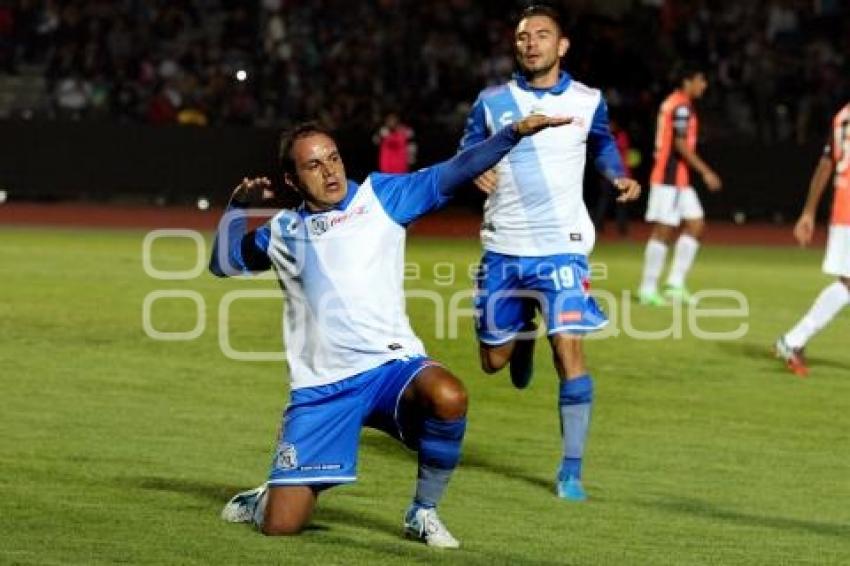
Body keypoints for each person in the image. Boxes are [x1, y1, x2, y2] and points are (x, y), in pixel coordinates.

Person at [210, 113, 570, 547]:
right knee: (281, 527)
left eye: (334, 158)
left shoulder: (383, 197)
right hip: (323, 389)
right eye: (314, 165)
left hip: (391, 367)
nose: (330, 171)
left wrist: (512, 134)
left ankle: (423, 511)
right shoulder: (282, 232)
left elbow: (455, 170)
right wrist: (236, 208)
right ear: (291, 179)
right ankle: (265, 498)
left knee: (449, 395)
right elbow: (224, 263)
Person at [459, 5, 641, 502]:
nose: (531, 43)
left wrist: (616, 173)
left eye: (542, 35)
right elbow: (469, 149)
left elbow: (602, 143)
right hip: (503, 244)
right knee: (492, 363)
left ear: (562, 46)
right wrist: (474, 168)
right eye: (523, 36)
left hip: (564, 246)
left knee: (571, 350)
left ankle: (571, 470)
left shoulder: (588, 100)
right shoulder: (492, 101)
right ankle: (521, 338)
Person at [637, 65, 723, 306]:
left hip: (680, 180)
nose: (704, 86)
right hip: (668, 178)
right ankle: (648, 287)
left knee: (696, 224)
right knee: (663, 231)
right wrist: (706, 172)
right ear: (688, 81)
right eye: (701, 80)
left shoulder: (674, 102)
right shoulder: (682, 106)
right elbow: (680, 144)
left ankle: (674, 284)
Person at [775, 102, 850, 377]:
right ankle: (792, 340)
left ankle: (794, 339)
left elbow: (826, 162)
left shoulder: (843, 115)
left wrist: (808, 212)